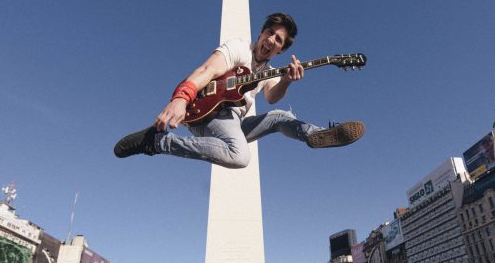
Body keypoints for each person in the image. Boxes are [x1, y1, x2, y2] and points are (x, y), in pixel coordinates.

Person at [114, 13, 364, 167]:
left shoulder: (268, 69)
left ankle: (316, 135)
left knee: (280, 117)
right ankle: (158, 142)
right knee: (240, 156)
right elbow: (206, 70)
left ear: (281, 50)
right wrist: (180, 98)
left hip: (233, 121)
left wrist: (287, 80)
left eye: (278, 41)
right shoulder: (238, 48)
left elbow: (270, 96)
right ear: (261, 32)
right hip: (208, 113)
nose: (271, 41)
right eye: (270, 33)